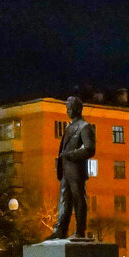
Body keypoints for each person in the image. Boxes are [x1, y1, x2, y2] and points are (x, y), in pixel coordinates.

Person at [47, 96, 96, 239]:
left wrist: (71, 155)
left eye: (70, 108)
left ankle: (80, 231)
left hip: (76, 170)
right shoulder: (69, 126)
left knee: (78, 199)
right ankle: (60, 231)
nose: (68, 111)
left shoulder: (84, 127)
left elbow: (90, 149)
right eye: (67, 108)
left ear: (78, 109)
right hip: (66, 171)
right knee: (64, 200)